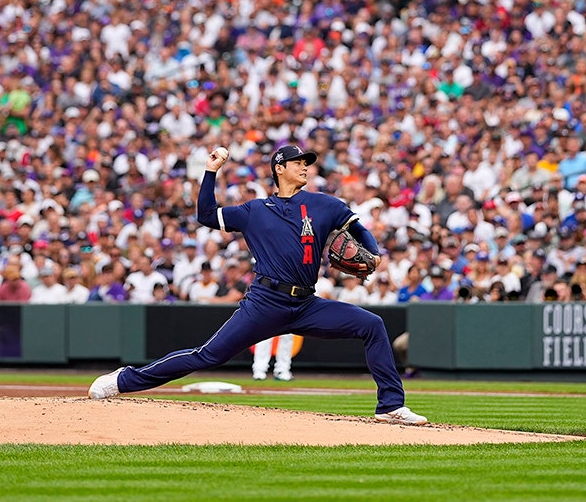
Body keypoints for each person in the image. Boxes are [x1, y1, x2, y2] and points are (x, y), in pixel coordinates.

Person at [89, 144, 427, 425]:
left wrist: (376, 253)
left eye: (307, 163)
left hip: (307, 304)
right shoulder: (254, 210)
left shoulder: (324, 205)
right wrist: (211, 172)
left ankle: (390, 406)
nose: (305, 167)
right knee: (206, 356)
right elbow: (206, 215)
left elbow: (357, 228)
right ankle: (123, 380)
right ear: (279, 168)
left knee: (372, 325)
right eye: (298, 162)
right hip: (265, 303)